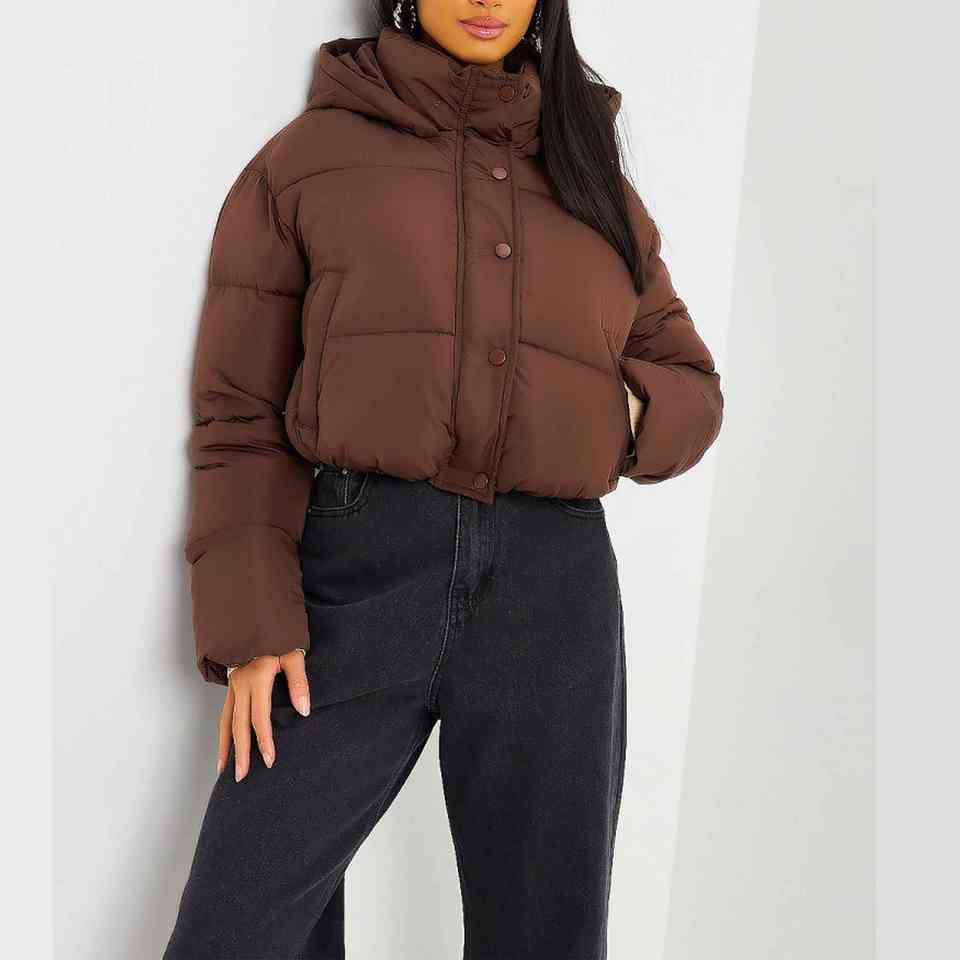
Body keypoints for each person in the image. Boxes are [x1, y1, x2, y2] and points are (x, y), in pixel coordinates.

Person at [164, 1, 723, 957]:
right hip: (354, 577)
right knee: (240, 925)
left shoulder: (590, 176)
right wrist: (252, 623)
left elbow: (690, 389)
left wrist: (599, 417)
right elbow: (240, 411)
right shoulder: (310, 160)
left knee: (544, 932)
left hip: (554, 588)